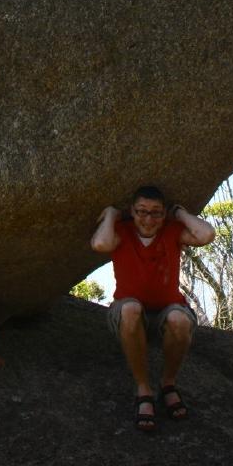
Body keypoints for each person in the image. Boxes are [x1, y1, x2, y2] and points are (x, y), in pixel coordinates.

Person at [90, 185, 214, 432]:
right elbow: (100, 244)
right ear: (132, 212)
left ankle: (168, 384)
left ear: (164, 214)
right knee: (130, 309)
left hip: (168, 308)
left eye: (156, 213)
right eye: (141, 212)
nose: (148, 219)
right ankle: (143, 387)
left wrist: (179, 213)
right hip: (129, 309)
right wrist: (113, 215)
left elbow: (206, 235)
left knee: (180, 320)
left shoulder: (172, 231)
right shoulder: (121, 232)